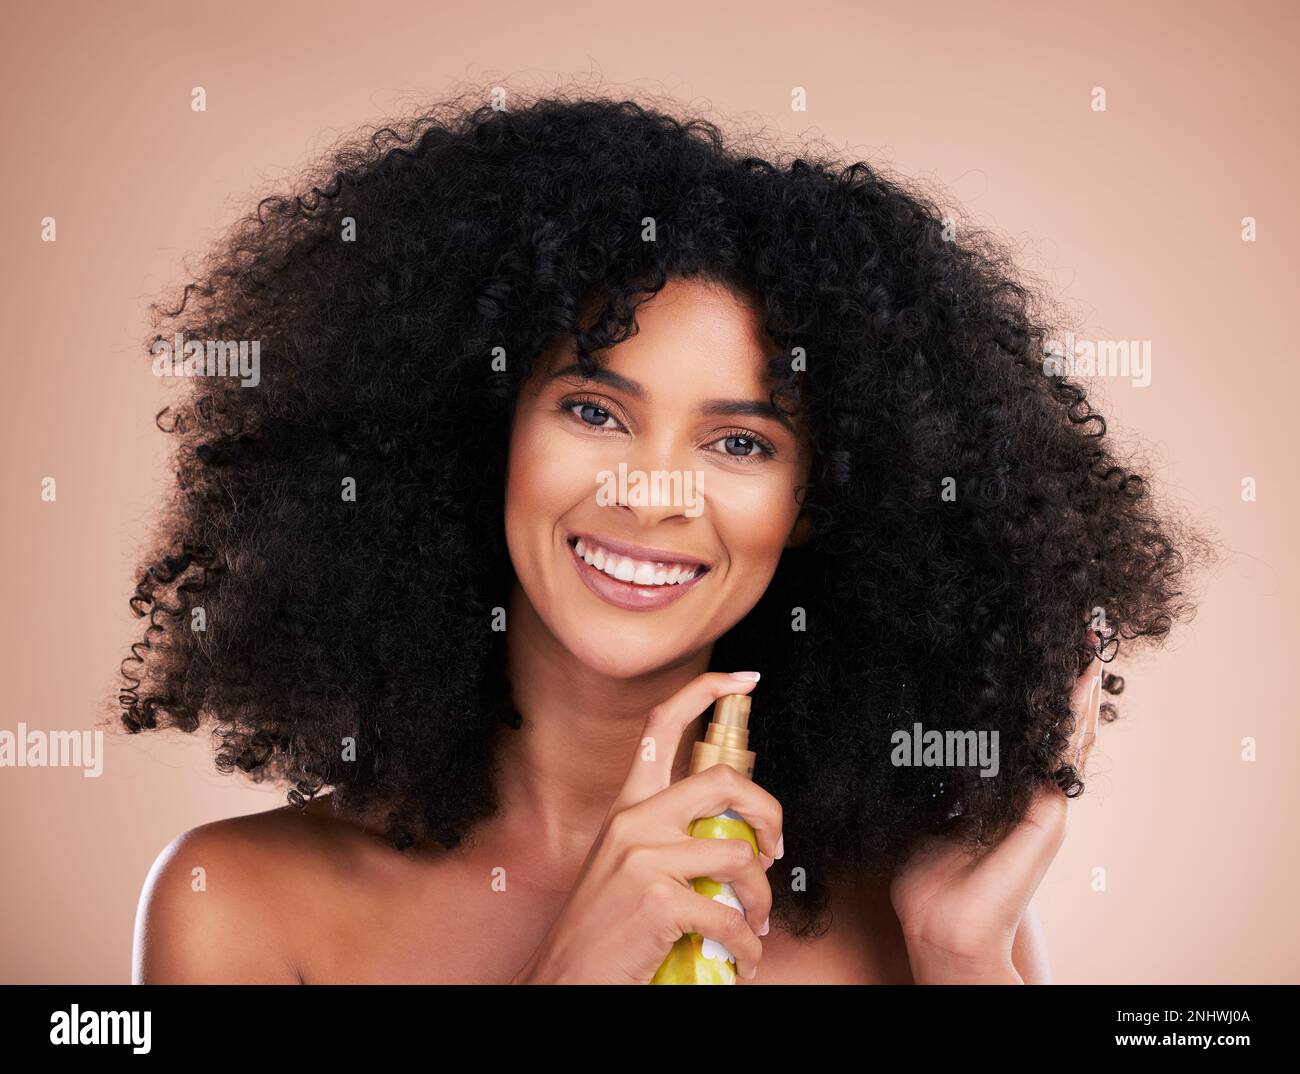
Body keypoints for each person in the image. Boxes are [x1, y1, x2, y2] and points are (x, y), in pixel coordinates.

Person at [122, 89, 1205, 984]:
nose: (651, 495)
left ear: (816, 501)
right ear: (485, 432)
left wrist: (960, 955)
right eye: (594, 413)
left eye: (739, 443)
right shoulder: (240, 904)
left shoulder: (915, 920)